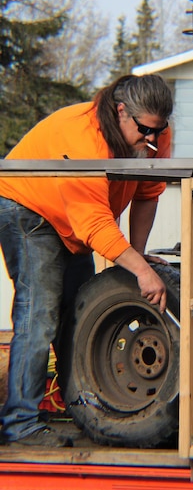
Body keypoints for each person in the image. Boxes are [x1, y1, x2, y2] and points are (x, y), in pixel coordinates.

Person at [0, 74, 174, 447]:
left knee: (79, 311)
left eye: (159, 131)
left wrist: (138, 254)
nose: (153, 141)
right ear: (121, 111)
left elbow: (148, 192)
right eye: (145, 130)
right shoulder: (83, 138)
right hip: (28, 208)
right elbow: (95, 223)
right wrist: (141, 272)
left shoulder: (153, 131)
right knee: (40, 314)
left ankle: (82, 407)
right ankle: (20, 423)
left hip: (72, 219)